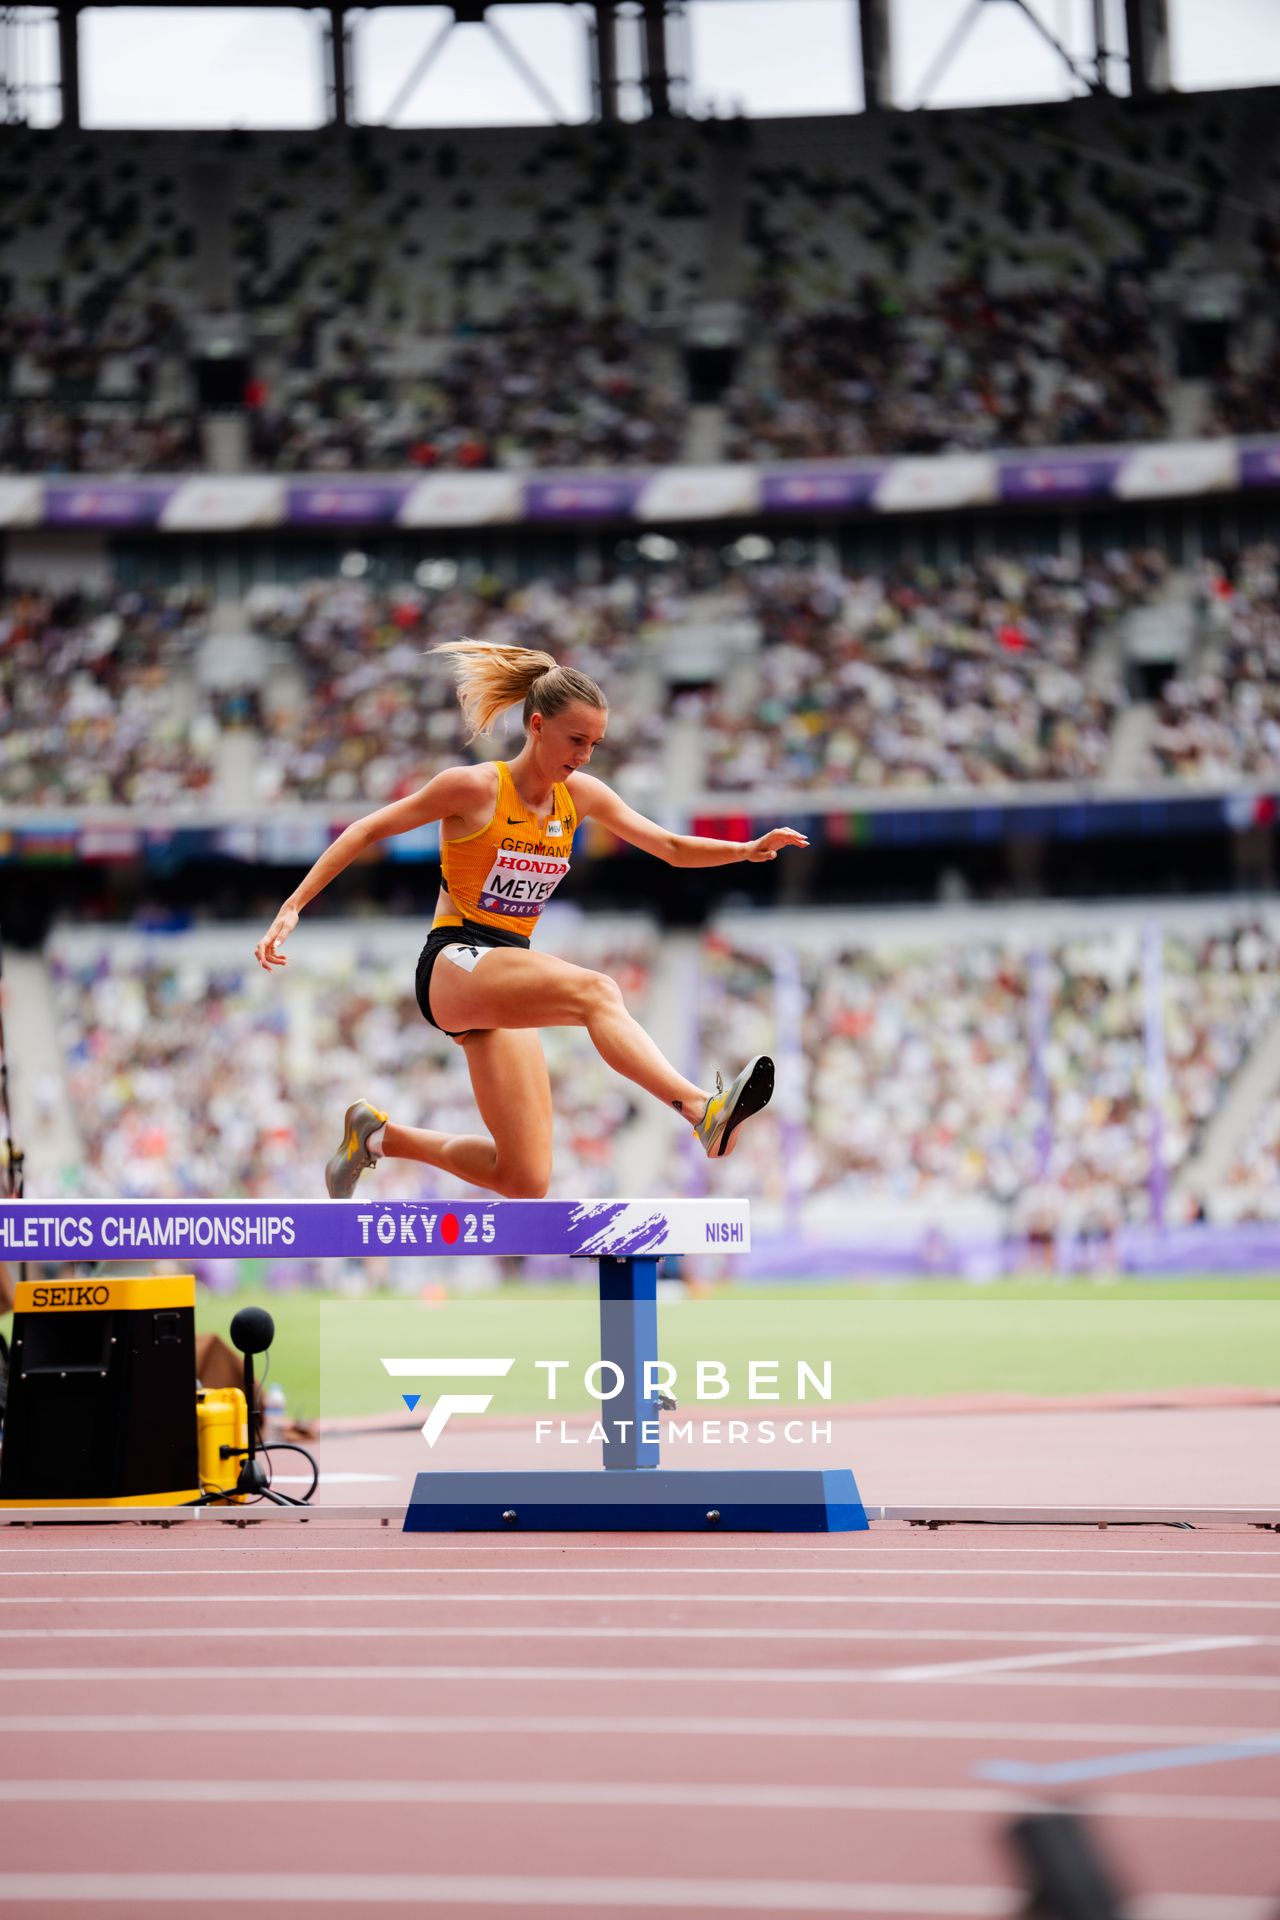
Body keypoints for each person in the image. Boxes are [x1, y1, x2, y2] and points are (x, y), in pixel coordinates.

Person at [254, 641, 807, 1200]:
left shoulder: (579, 797)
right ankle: (699, 1110)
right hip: (453, 959)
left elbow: (666, 845)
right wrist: (292, 906)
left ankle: (375, 1139)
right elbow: (364, 831)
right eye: (575, 741)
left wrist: (743, 850)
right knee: (597, 991)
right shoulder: (473, 788)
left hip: (504, 972)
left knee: (525, 1179)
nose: (585, 757)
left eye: (594, 744)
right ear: (537, 726)